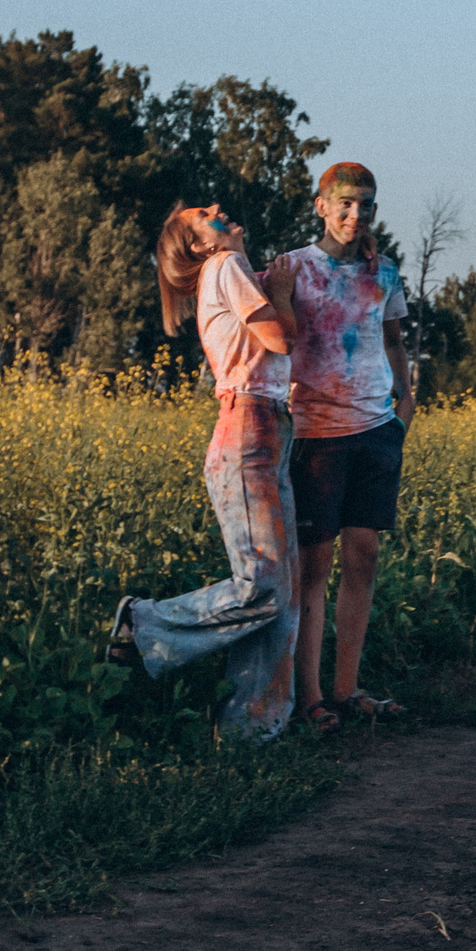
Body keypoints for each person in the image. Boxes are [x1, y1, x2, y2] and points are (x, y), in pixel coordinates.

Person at [104, 201, 303, 741]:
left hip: (269, 430)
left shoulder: (235, 269)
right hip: (248, 435)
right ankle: (144, 623)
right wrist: (280, 295)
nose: (217, 209)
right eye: (202, 215)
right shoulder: (225, 268)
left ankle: (252, 730)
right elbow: (280, 339)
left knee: (283, 591)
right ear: (199, 245)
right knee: (263, 584)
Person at [274, 161, 415, 731]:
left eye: (367, 205)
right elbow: (264, 329)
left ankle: (347, 688)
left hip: (376, 431)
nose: (356, 215)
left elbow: (393, 339)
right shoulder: (293, 269)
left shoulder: (384, 273)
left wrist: (404, 407)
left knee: (365, 556)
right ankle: (309, 697)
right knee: (315, 567)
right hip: (317, 436)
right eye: (347, 203)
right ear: (321, 205)